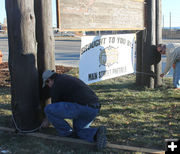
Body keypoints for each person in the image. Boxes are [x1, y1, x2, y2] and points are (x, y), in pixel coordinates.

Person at [41, 70, 107, 150]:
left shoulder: (56, 85)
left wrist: (46, 120)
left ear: (49, 80)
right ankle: (96, 133)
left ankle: (68, 134)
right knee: (79, 131)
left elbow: (54, 108)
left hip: (82, 107)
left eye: (47, 84)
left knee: (48, 109)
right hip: (94, 108)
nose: (49, 86)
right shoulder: (65, 78)